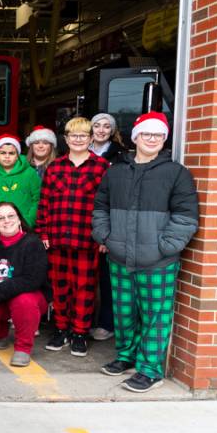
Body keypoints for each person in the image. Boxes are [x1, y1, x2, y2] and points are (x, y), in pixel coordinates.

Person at [93, 112, 198, 392]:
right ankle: (126, 356)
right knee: (124, 312)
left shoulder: (177, 173)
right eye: (147, 134)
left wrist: (166, 247)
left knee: (155, 315)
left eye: (158, 135)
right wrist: (106, 236)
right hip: (119, 255)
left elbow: (186, 216)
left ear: (164, 139)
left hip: (158, 260)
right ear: (135, 137)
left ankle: (150, 370)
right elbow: (100, 208)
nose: (152, 139)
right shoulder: (115, 172)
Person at [38, 117, 109, 357]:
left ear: (90, 139)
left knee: (85, 289)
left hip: (87, 240)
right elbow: (44, 203)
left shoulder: (102, 167)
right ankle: (61, 330)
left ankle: (80, 333)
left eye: (83, 135)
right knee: (60, 289)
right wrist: (43, 232)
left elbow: (106, 206)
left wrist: (103, 238)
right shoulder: (55, 167)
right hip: (57, 238)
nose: (78, 139)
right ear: (66, 139)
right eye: (73, 135)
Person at [0, 202, 49, 367]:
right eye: (1, 218)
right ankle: (2, 332)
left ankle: (23, 348)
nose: (7, 221)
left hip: (29, 297)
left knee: (23, 301)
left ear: (19, 219)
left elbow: (33, 279)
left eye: (11, 216)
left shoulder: (32, 243)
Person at [88, 112, 126, 341]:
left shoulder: (120, 156)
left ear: (112, 131)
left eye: (106, 127)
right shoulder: (80, 151)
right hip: (81, 220)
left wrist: (107, 233)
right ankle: (82, 322)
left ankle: (106, 323)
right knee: (83, 277)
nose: (101, 130)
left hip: (104, 220)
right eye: (97, 126)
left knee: (105, 278)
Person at [0, 134, 41, 230]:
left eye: (11, 153)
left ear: (17, 155)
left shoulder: (30, 174)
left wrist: (28, 221)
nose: (7, 156)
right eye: (3, 153)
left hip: (24, 229)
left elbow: (38, 200)